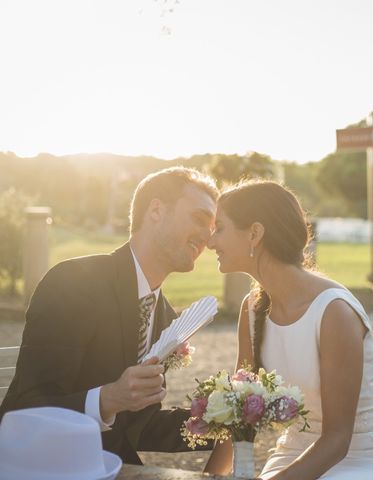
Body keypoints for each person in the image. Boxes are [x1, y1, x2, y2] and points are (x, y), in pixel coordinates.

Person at [0, 167, 218, 464]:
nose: (208, 236)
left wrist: (223, 420)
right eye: (199, 219)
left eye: (214, 227)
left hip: (108, 464)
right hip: (43, 465)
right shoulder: (74, 282)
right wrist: (108, 398)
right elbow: (24, 409)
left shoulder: (165, 315)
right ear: (156, 210)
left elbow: (137, 426)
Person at [204, 180, 373, 479]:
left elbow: (337, 441)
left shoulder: (334, 312)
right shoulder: (252, 309)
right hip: (297, 452)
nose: (210, 242)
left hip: (369, 458)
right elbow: (239, 414)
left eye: (219, 229)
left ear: (254, 233)